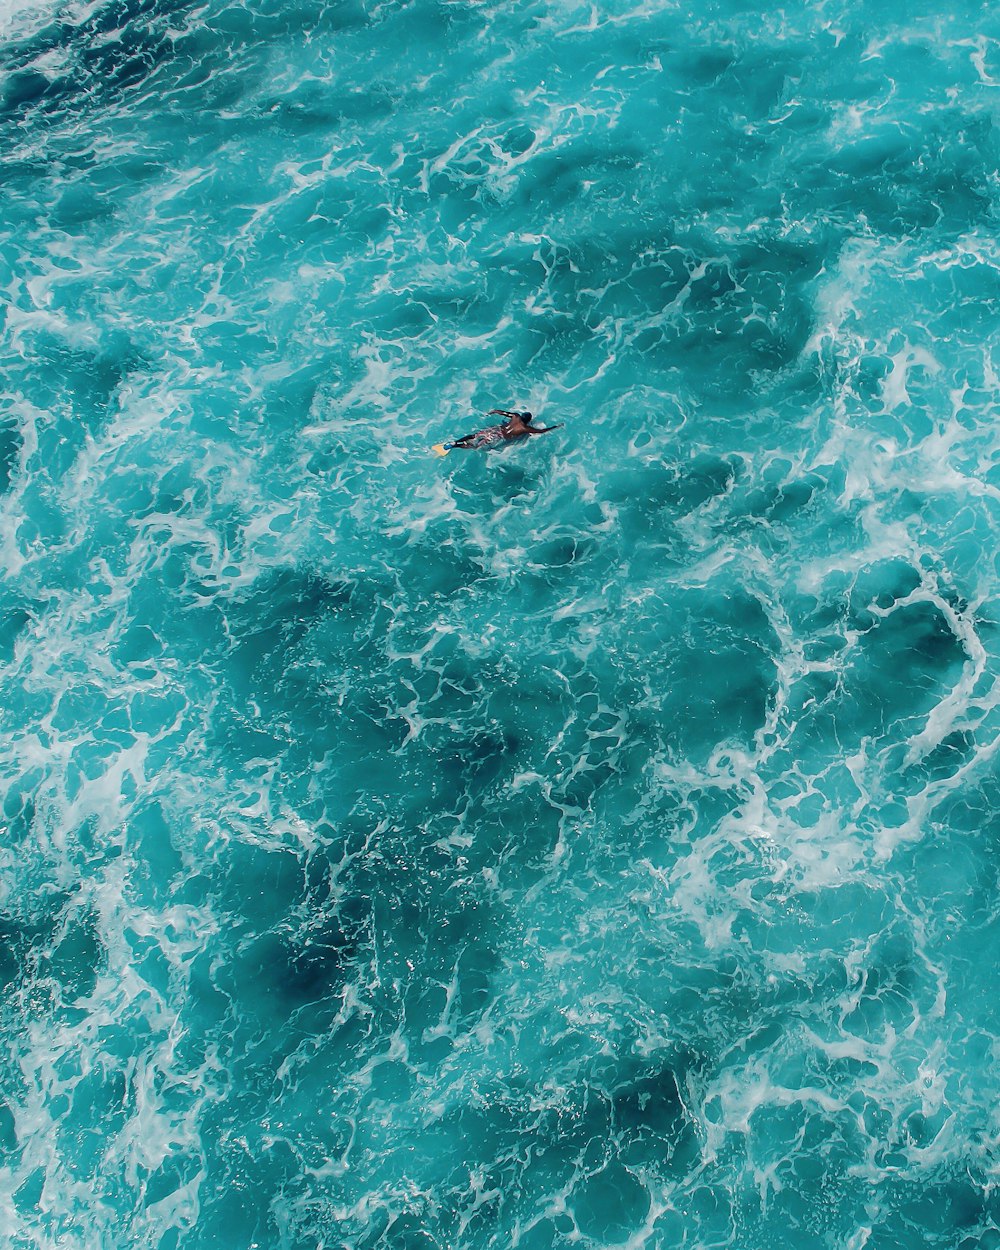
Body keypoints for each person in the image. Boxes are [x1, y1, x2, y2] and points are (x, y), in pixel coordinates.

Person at [433, 409, 563, 456]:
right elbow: (541, 431)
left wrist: (494, 411)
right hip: (500, 437)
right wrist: (555, 427)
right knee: (476, 446)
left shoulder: (516, 416)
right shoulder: (525, 428)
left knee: (474, 436)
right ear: (528, 421)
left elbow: (504, 412)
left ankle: (454, 443)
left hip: (496, 429)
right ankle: (457, 447)